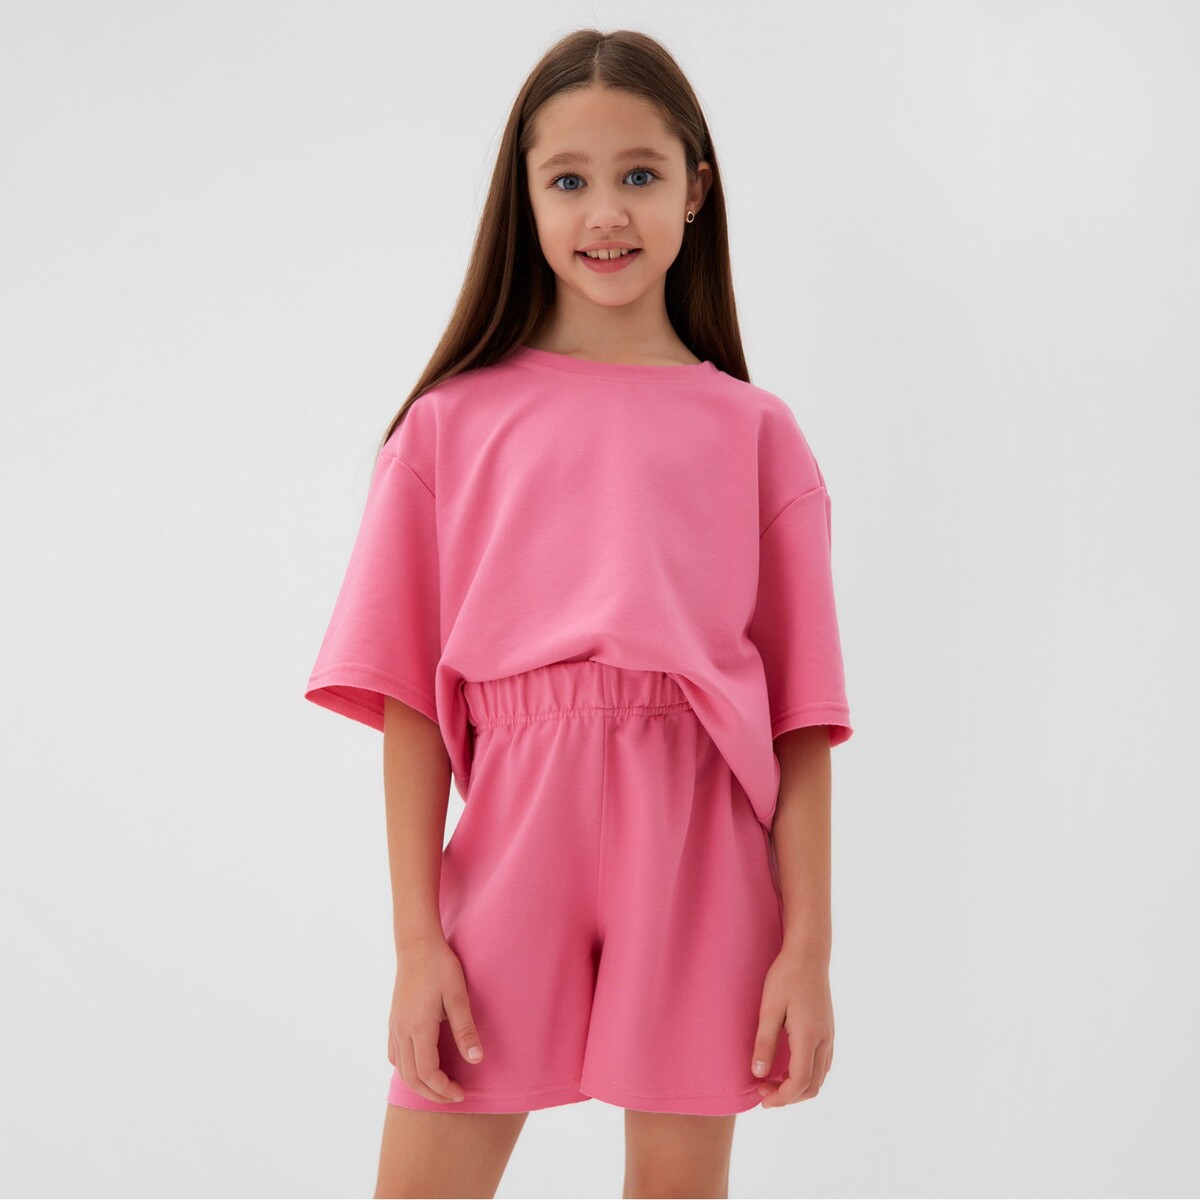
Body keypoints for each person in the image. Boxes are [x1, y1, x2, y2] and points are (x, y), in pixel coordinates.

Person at [304, 27, 854, 1200]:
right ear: (526, 197)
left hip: (701, 852)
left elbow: (801, 723)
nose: (606, 212)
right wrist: (417, 942)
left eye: (639, 174)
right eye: (568, 180)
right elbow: (410, 702)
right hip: (515, 839)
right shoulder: (448, 428)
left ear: (695, 189)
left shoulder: (758, 436)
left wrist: (807, 951)